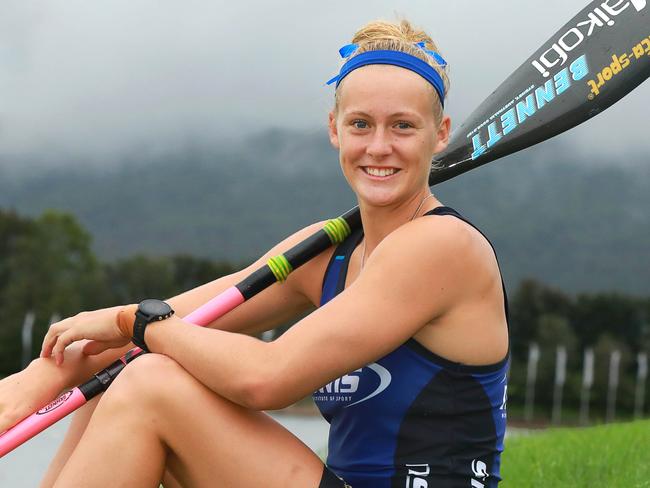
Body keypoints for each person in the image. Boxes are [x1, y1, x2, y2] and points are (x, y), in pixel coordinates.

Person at [0, 19, 509, 488]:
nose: (378, 147)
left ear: (439, 135)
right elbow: (183, 321)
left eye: (402, 126)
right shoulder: (328, 251)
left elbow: (267, 379)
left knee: (150, 382)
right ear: (334, 129)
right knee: (124, 376)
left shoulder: (442, 246)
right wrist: (43, 375)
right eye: (360, 124)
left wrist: (130, 321)